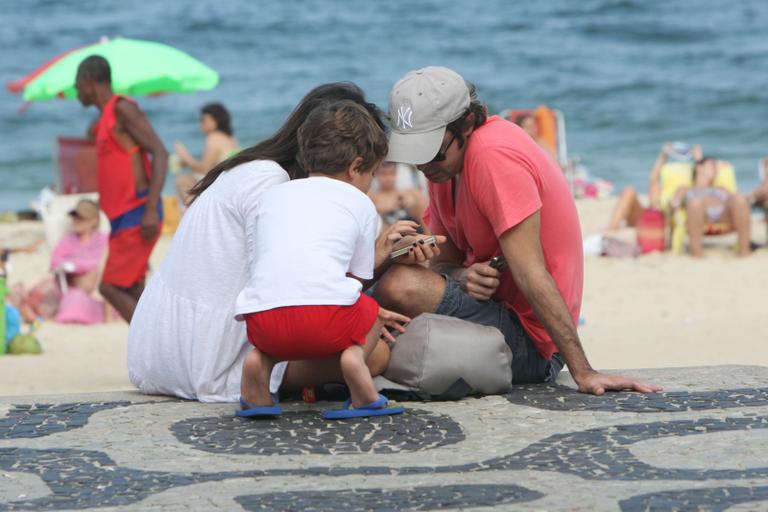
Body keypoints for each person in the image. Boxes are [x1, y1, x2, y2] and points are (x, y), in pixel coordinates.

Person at [128, 83, 437, 403]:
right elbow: (288, 276)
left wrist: (381, 254)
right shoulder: (269, 182)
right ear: (353, 162)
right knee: (376, 355)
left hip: (159, 345)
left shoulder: (260, 173)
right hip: (203, 356)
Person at [377, 66, 662, 396]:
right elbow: (445, 263)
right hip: (493, 314)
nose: (421, 165)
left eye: (429, 151)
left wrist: (583, 372)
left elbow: (531, 273)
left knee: (399, 287)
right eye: (414, 152)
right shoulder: (444, 167)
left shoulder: (492, 156)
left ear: (467, 123)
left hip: (535, 344)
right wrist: (460, 275)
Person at [235, 100, 411, 418]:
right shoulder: (359, 203)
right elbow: (356, 278)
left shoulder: (272, 197)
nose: (369, 182)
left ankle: (259, 367)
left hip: (262, 325)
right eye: (371, 173)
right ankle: (358, 380)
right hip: (323, 326)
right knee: (370, 311)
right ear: (356, 167)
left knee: (277, 326)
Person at [75, 55, 167, 322]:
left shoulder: (122, 109)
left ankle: (152, 344)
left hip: (138, 214)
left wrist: (151, 208)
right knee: (133, 289)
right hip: (120, 218)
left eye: (77, 85)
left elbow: (159, 152)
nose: (76, 92)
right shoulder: (107, 117)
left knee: (110, 287)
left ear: (89, 82)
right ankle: (161, 351)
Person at [608, 143, 701, 231]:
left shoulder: (689, 187)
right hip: (651, 216)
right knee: (628, 190)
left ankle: (612, 228)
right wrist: (664, 154)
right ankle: (612, 228)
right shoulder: (666, 188)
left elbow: (701, 185)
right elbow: (653, 178)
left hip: (667, 217)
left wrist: (698, 160)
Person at [670, 157, 751, 257]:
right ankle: (696, 254)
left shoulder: (721, 188)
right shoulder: (685, 189)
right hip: (700, 218)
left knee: (739, 198)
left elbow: (736, 202)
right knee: (696, 202)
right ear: (698, 168)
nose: (715, 169)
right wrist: (674, 203)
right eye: (711, 165)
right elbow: (673, 203)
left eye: (716, 167)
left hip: (725, 218)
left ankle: (745, 252)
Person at [51, 199, 108, 324]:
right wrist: (70, 266)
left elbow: (96, 261)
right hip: (67, 286)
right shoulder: (68, 239)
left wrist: (74, 265)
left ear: (94, 221)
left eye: (81, 218)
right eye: (75, 217)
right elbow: (55, 260)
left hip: (92, 286)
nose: (76, 221)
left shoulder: (101, 239)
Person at [174, 103, 240, 206]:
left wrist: (186, 157)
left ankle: (195, 212)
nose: (201, 124)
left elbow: (205, 169)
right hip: (231, 182)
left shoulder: (213, 137)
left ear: (215, 121)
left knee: (181, 181)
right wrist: (189, 163)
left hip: (220, 184)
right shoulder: (230, 138)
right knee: (189, 177)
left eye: (204, 120)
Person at [369, 161, 427, 230]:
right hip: (387, 235)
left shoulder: (408, 193)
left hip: (412, 232)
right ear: (376, 174)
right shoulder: (373, 197)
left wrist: (413, 205)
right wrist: (392, 205)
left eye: (392, 173)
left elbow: (425, 213)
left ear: (396, 173)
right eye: (383, 174)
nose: (388, 178)